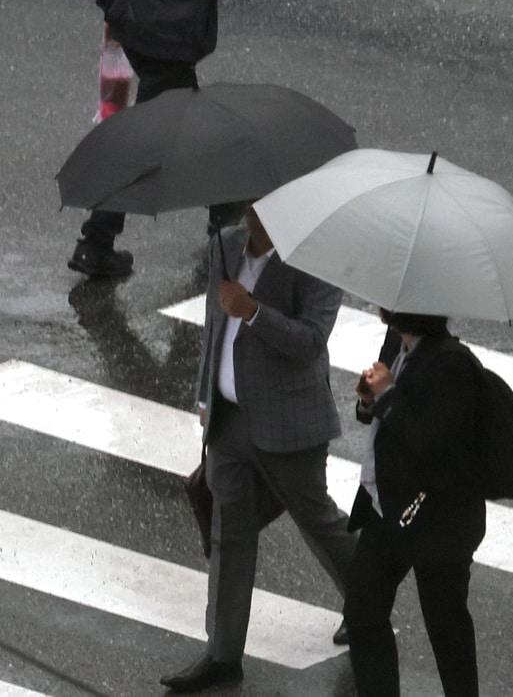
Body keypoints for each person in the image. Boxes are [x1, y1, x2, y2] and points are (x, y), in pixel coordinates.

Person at [161, 206, 355, 693]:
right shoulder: (224, 246)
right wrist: (206, 395)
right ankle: (223, 655)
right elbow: (212, 331)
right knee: (230, 537)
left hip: (288, 427)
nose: (250, 215)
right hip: (228, 423)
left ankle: (367, 598)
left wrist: (251, 311)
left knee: (317, 520)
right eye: (248, 206)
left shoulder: (315, 261)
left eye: (262, 205)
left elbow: (310, 342)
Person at [69, 0, 259, 278]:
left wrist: (112, 8)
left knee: (171, 128)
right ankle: (99, 241)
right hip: (168, 39)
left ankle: (219, 218)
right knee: (152, 138)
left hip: (124, 24)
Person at [344, 311, 486, 697]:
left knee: (446, 628)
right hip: (386, 506)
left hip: (437, 520)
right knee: (362, 614)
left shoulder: (452, 364)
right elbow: (381, 416)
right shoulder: (398, 343)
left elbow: (432, 445)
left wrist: (388, 396)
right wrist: (370, 398)